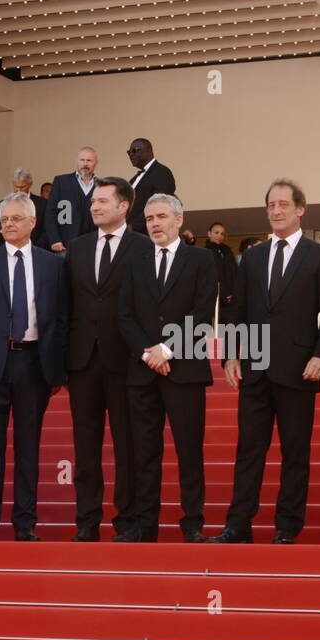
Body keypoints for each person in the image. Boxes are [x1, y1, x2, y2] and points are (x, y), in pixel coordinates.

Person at [211, 179, 320, 544]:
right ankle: (239, 524)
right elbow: (236, 309)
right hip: (255, 367)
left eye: (284, 204)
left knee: (295, 453)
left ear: (301, 209)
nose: (276, 211)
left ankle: (287, 526)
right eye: (271, 205)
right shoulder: (252, 256)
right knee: (248, 450)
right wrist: (231, 354)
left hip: (299, 367)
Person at [0, 193, 68, 541]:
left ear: (33, 223)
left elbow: (62, 319)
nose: (8, 224)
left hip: (34, 364)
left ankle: (25, 523)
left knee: (28, 447)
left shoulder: (54, 264)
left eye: (16, 218)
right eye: (4, 219)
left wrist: (57, 369)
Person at [118, 193, 218, 543]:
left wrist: (166, 349)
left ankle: (192, 523)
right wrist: (148, 353)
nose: (155, 223)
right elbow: (125, 315)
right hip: (143, 371)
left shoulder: (201, 260)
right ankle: (145, 524)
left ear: (178, 219)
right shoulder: (135, 263)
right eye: (149, 218)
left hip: (185, 370)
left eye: (162, 216)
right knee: (144, 452)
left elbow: (203, 314)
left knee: (189, 450)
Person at [65, 177, 151, 541]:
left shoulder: (144, 248)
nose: (94, 206)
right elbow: (67, 304)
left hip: (126, 360)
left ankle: (127, 520)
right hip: (83, 360)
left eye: (102, 200)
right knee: (85, 447)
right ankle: (86, 521)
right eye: (93, 201)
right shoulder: (78, 247)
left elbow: (149, 305)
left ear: (124, 205)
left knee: (127, 445)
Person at [42, 147, 99, 252]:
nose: (85, 164)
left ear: (96, 162)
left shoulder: (102, 185)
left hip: (92, 246)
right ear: (77, 161)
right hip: (64, 246)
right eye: (82, 160)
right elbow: (50, 213)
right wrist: (55, 239)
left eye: (89, 160)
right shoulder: (61, 182)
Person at [125, 139, 177, 235]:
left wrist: (133, 227)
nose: (131, 155)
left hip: (148, 235)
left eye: (135, 150)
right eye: (129, 152)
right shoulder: (134, 179)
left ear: (148, 151)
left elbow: (159, 205)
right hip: (132, 235)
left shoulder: (161, 172)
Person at [0, 168, 45, 238]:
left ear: (30, 184)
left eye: (22, 187)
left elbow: (46, 231)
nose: (19, 190)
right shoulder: (1, 205)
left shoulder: (43, 204)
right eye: (16, 187)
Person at [206, 222, 237, 311]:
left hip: (231, 297)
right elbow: (210, 278)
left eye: (222, 234)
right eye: (216, 233)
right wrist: (223, 293)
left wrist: (233, 292)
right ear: (209, 233)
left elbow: (235, 273)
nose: (219, 236)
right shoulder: (205, 253)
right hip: (215, 297)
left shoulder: (228, 252)